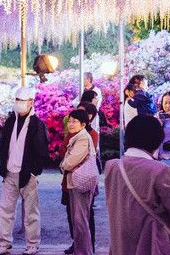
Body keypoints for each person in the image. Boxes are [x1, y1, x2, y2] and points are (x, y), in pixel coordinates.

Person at [105, 115, 170, 255]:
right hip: (150, 244)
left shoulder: (112, 166)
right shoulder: (159, 170)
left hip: (120, 244)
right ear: (156, 140)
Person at [0, 86, 49, 255]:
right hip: (10, 173)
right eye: (17, 100)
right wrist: (3, 167)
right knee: (5, 211)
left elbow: (41, 150)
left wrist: (34, 172)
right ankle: (4, 244)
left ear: (31, 103)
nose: (18, 104)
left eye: (22, 101)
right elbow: (3, 145)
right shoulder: (11, 121)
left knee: (31, 213)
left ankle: (32, 244)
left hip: (28, 175)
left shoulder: (36, 124)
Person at [61, 103, 99, 255]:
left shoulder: (83, 138)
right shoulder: (77, 136)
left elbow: (70, 162)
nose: (70, 124)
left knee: (81, 221)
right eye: (70, 120)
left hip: (81, 183)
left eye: (74, 121)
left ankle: (84, 252)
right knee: (78, 221)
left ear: (83, 124)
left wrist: (63, 165)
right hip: (76, 182)